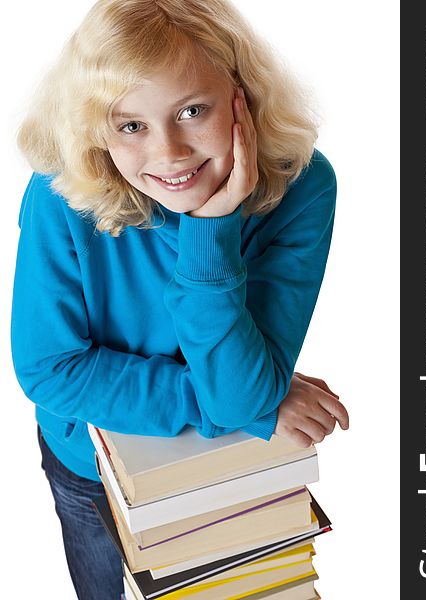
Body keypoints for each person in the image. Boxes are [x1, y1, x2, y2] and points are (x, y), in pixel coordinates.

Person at [11, 0, 349, 598]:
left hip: (227, 473)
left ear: (242, 95)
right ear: (96, 129)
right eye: (131, 126)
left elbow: (240, 394)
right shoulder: (62, 192)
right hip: (92, 466)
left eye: (193, 110)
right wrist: (252, 402)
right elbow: (51, 370)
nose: (169, 152)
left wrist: (211, 227)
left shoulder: (303, 188)